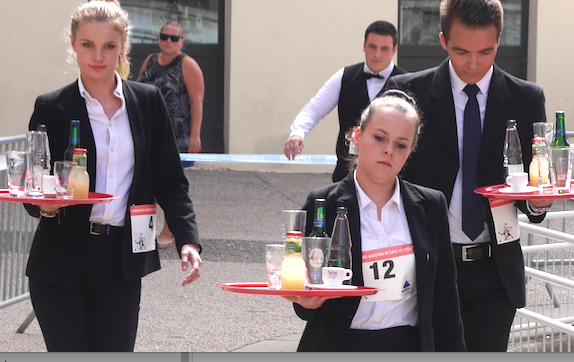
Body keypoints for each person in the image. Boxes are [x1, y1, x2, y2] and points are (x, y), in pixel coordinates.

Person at [24, 0, 202, 352]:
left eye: (109, 46)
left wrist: (188, 240)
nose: (98, 56)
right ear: (73, 44)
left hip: (121, 260)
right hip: (60, 260)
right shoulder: (52, 106)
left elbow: (171, 180)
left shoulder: (148, 102)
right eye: (88, 44)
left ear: (122, 47)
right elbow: (35, 186)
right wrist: (44, 206)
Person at [385, 0, 553, 352]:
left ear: (499, 42)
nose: (474, 64)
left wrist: (539, 204)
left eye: (486, 51)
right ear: (443, 40)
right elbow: (387, 180)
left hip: (496, 270)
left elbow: (532, 189)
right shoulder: (406, 93)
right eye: (462, 52)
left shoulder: (526, 99)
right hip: (428, 268)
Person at [284, 91, 465, 352]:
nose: (388, 150)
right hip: (340, 346)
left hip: (407, 346)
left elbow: (446, 300)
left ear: (411, 150)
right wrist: (307, 302)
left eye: (401, 144)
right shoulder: (323, 203)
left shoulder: (431, 205)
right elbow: (304, 294)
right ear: (357, 136)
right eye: (379, 138)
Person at [284, 20, 407, 183]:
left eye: (384, 49)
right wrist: (298, 133)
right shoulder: (345, 77)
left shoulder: (407, 83)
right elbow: (314, 109)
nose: (377, 54)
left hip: (390, 177)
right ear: (364, 46)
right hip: (345, 175)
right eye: (372, 47)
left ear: (394, 50)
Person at [138, 19, 205, 249]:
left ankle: (169, 230)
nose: (168, 41)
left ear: (182, 41)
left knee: (171, 185)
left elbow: (197, 101)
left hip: (177, 135)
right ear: (158, 38)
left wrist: (195, 135)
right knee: (146, 183)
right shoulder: (149, 61)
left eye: (174, 38)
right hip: (148, 132)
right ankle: (144, 231)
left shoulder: (187, 65)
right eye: (164, 36)